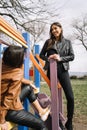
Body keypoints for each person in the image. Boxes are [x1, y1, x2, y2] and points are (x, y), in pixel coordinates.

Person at [0, 45, 50, 130]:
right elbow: (8, 98)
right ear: (17, 60)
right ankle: (41, 115)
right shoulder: (17, 72)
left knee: (28, 87)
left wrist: (28, 82)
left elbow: (9, 77)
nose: (24, 58)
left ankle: (41, 112)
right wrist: (2, 120)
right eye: (23, 56)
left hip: (5, 102)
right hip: (8, 110)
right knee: (42, 125)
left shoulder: (3, 64)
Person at [40, 22, 75, 130]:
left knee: (70, 97)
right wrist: (49, 59)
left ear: (60, 28)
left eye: (55, 28)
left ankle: (69, 121)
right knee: (55, 98)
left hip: (63, 70)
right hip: (52, 71)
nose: (54, 31)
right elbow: (41, 55)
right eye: (52, 29)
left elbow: (72, 56)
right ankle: (58, 122)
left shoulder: (67, 42)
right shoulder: (48, 42)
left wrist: (60, 58)